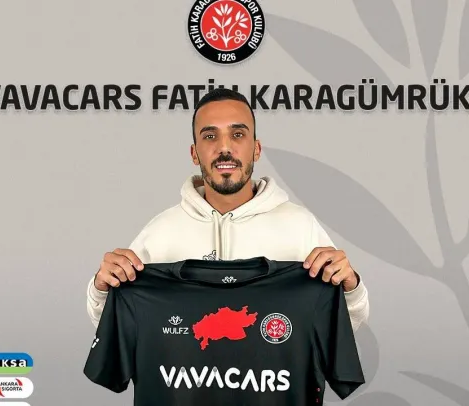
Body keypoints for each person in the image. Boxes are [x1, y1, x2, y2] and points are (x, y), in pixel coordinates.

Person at [86, 88, 370, 332]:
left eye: (237, 134)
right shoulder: (160, 231)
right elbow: (116, 323)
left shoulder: (300, 226)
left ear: (256, 149)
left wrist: (350, 287)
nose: (224, 147)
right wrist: (101, 289)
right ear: (194, 153)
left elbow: (346, 323)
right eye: (210, 136)